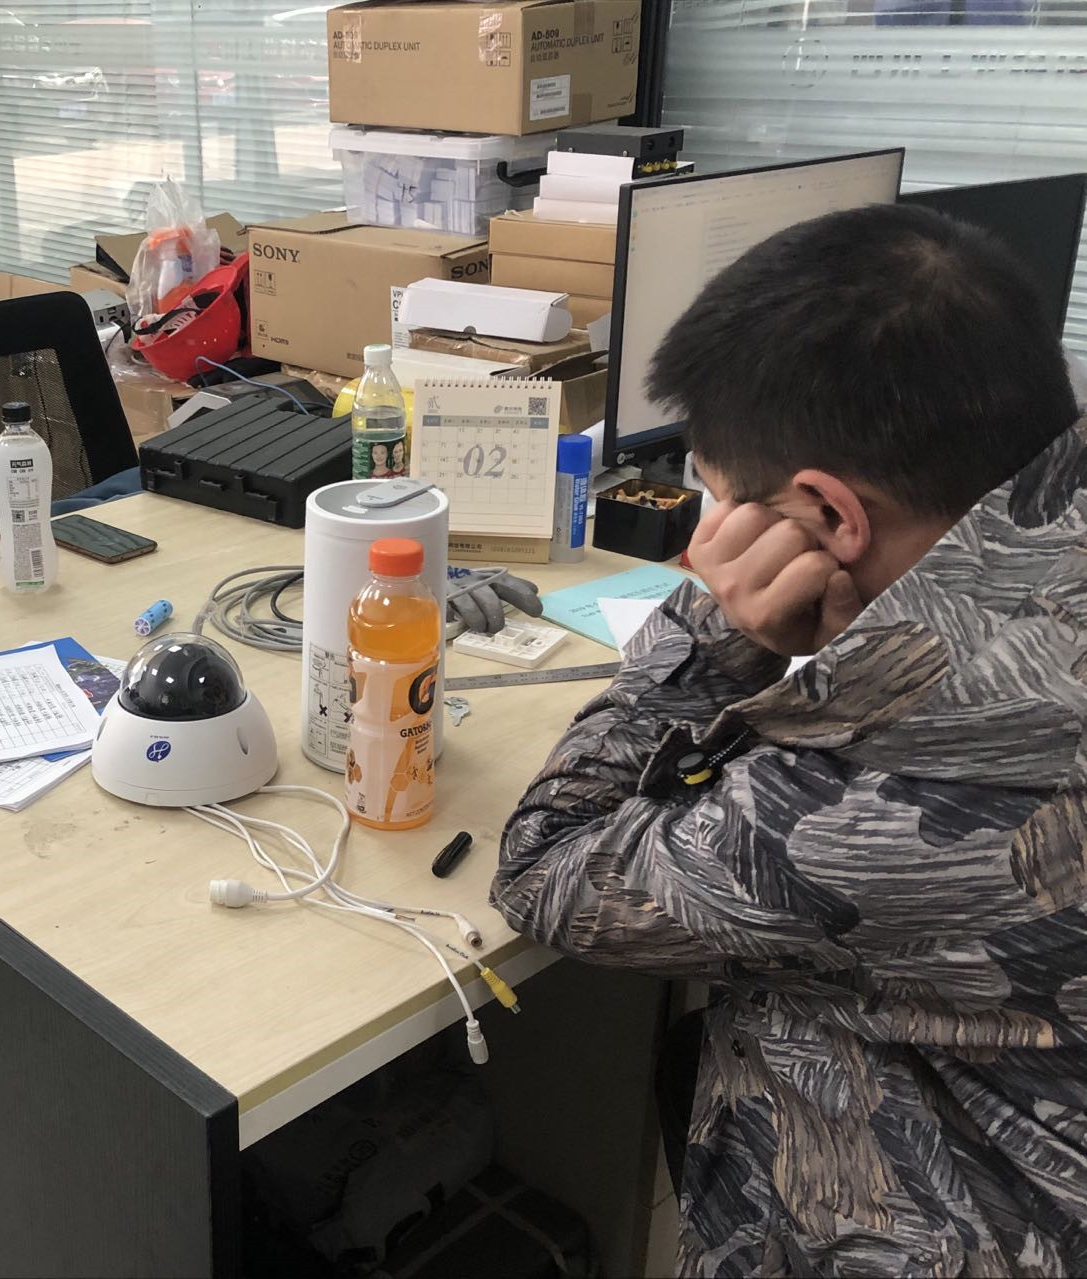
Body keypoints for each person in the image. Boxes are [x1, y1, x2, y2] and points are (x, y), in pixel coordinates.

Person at [490, 203, 1087, 1277]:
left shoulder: (896, 786)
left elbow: (547, 868)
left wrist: (719, 624)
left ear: (828, 517)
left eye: (719, 500)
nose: (708, 526)